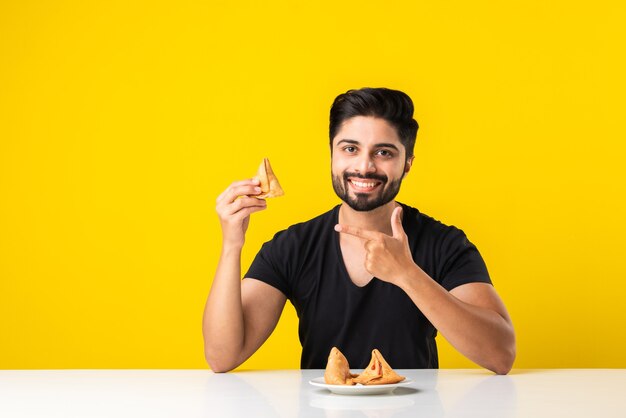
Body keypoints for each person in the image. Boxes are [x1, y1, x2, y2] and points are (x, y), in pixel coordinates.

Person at [203, 88, 516, 375]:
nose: (364, 167)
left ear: (407, 163)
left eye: (384, 152)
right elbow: (222, 357)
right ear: (332, 154)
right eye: (350, 148)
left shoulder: (444, 244)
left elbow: (501, 355)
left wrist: (407, 274)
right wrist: (232, 245)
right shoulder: (293, 247)